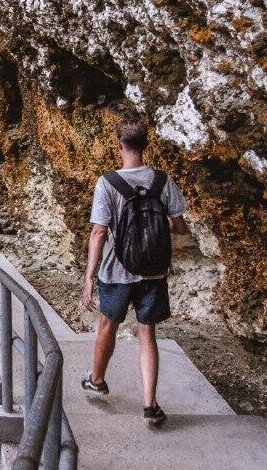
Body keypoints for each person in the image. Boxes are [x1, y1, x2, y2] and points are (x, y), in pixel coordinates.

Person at [81, 120, 189, 427]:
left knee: (108, 326)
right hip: (153, 272)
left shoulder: (108, 183)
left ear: (119, 145)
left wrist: (89, 279)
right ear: (146, 145)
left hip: (116, 270)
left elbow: (99, 232)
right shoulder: (162, 181)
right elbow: (180, 227)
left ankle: (97, 380)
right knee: (147, 334)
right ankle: (150, 405)